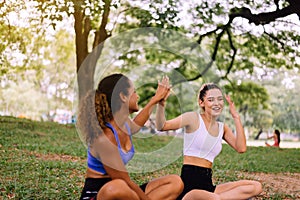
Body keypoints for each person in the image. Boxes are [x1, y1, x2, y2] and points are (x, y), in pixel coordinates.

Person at [77, 74, 183, 200]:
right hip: (101, 194)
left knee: (175, 182)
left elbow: (136, 125)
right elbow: (124, 181)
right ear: (122, 96)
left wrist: (157, 99)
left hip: (126, 193)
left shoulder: (125, 123)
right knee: (117, 187)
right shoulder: (104, 139)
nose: (137, 96)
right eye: (134, 92)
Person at [156, 82, 262, 200]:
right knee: (214, 199)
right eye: (211, 100)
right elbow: (162, 126)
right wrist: (161, 103)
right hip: (190, 187)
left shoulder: (222, 128)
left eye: (220, 99)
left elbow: (241, 148)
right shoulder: (193, 118)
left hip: (208, 185)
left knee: (256, 186)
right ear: (202, 103)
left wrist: (236, 117)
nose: (216, 103)